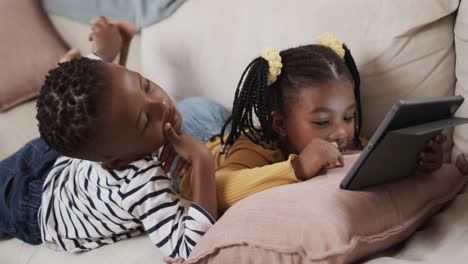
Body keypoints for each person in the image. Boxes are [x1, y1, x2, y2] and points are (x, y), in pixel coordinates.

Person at [172, 33, 468, 214]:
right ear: (280, 124)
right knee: (169, 119)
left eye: (349, 116)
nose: (342, 131)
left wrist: (420, 164)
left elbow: (375, 162)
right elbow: (220, 186)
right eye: (323, 121)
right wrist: (298, 166)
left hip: (224, 128)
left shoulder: (349, 143)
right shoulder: (255, 144)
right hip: (202, 133)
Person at [0, 17, 217, 259]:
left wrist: (110, 45)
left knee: (92, 99)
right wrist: (202, 160)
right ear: (115, 162)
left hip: (63, 156)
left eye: (146, 86)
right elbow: (192, 250)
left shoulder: (108, 134)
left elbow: (111, 96)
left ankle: (97, 55)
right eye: (146, 120)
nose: (163, 103)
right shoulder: (141, 183)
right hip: (30, 205)